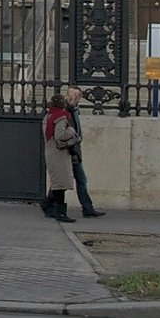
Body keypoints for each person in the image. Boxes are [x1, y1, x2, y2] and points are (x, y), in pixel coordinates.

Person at [66, 86, 104, 219]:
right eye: (73, 96)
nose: (75, 99)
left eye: (77, 96)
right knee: (76, 180)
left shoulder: (74, 110)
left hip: (74, 150)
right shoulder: (68, 111)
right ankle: (87, 208)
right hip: (70, 150)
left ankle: (87, 208)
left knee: (73, 179)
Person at [40, 89, 77, 222]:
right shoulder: (61, 117)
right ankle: (60, 212)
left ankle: (48, 205)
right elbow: (60, 136)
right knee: (60, 184)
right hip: (59, 153)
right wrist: (71, 131)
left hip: (50, 152)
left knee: (57, 182)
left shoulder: (49, 116)